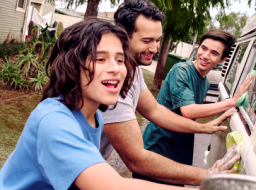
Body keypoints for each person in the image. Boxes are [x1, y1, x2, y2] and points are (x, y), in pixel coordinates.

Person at [100, 0, 256, 187]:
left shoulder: (133, 71)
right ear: (122, 36)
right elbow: (137, 159)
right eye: (147, 40)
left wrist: (204, 128)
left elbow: (155, 111)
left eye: (158, 40)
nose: (154, 48)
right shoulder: (111, 79)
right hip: (129, 156)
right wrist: (208, 176)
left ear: (223, 59)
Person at [0, 18, 193, 190]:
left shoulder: (95, 117)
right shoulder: (53, 121)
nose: (115, 68)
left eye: (120, 59)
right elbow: (114, 186)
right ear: (71, 66)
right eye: (100, 59)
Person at [137, 29, 253, 185]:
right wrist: (231, 102)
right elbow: (188, 110)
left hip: (180, 149)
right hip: (159, 147)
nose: (205, 56)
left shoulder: (205, 83)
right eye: (203, 48)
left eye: (213, 53)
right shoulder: (181, 71)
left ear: (223, 59)